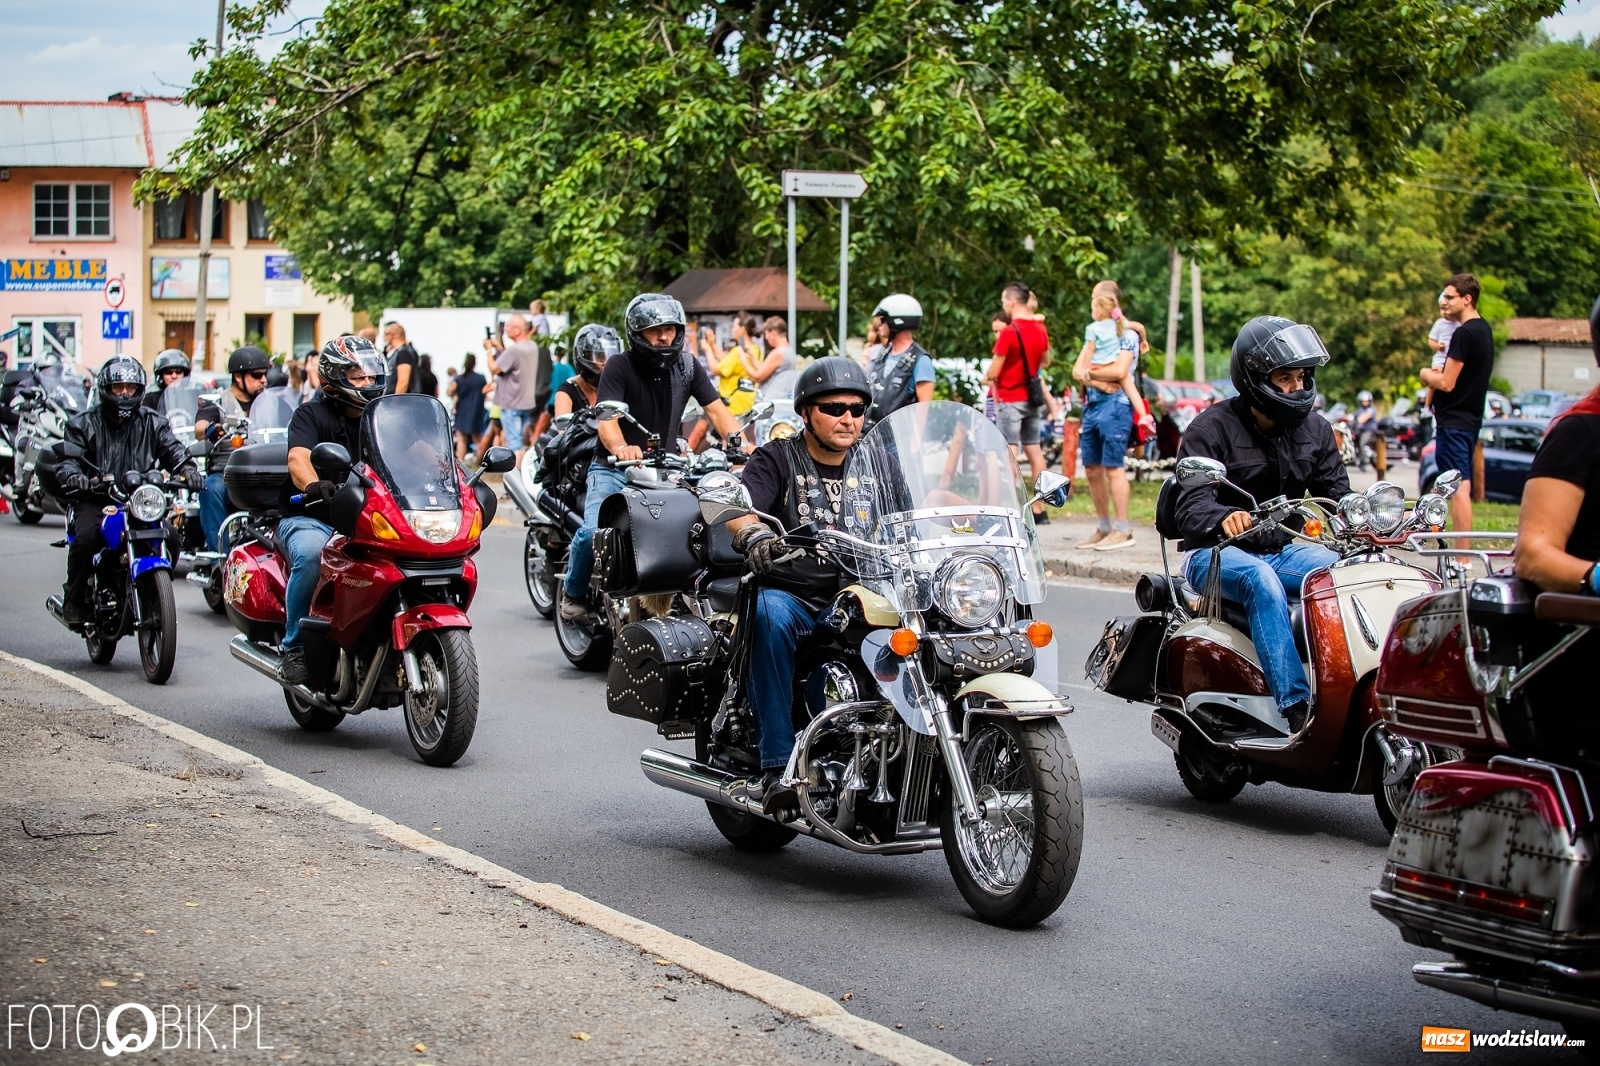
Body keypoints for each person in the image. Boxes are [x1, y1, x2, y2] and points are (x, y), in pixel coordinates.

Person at [1174, 316, 1348, 734]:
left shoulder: (1316, 430)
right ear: (1254, 378)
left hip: (1283, 545)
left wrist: (1367, 522)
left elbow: (1338, 496)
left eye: (1302, 377)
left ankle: (1345, 688)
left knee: (1343, 575)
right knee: (1261, 580)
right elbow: (1189, 511)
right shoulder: (1210, 429)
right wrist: (1224, 517)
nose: (1296, 388)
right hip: (1213, 553)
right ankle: (1296, 705)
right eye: (1284, 378)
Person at [721, 357, 876, 814]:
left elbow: (914, 512)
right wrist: (754, 535)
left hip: (867, 594)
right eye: (833, 407)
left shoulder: (878, 460)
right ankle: (777, 766)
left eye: (857, 408)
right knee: (770, 617)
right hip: (797, 594)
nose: (848, 417)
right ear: (806, 413)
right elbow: (740, 510)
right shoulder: (777, 457)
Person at [561, 293, 746, 620]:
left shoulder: (688, 366)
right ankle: (573, 593)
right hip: (614, 469)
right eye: (654, 330)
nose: (664, 336)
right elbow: (607, 421)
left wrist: (741, 443)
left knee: (700, 526)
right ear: (636, 333)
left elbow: (717, 411)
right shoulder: (619, 365)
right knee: (593, 532)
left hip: (666, 469)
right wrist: (621, 448)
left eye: (671, 329)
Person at [55, 356, 201, 626]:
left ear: (139, 390)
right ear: (105, 390)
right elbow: (68, 461)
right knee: (86, 538)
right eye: (118, 387)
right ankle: (74, 599)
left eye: (131, 388)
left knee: (169, 536)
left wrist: (189, 469)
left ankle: (148, 588)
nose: (124, 393)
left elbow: (172, 449)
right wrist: (76, 477)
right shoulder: (83, 423)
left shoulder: (152, 423)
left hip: (139, 501)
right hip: (97, 500)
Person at [277, 336, 387, 684]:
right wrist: (313, 485)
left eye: (371, 376)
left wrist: (451, 472)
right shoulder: (311, 413)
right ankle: (294, 647)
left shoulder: (382, 418)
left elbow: (417, 450)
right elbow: (298, 458)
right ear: (333, 376)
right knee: (312, 557)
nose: (367, 383)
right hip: (313, 517)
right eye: (358, 376)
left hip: (368, 519)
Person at [1069, 291, 1144, 549]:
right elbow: (1077, 371)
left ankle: (1123, 529)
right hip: (1093, 404)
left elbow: (1120, 371)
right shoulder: (1097, 332)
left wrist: (1089, 374)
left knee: (1113, 467)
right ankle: (1103, 526)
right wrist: (1097, 380)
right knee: (1091, 467)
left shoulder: (1127, 334)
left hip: (1115, 405)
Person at [1420, 274, 1493, 534]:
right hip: (1471, 419)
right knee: (1461, 485)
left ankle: (1461, 558)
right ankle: (1457, 551)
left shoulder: (1463, 334)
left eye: (1450, 296)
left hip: (1454, 421)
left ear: (1467, 298)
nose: (1445, 301)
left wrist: (1425, 374)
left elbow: (1447, 382)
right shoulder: (1484, 329)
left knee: (1458, 487)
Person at [983, 283, 1052, 523]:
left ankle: (1008, 507)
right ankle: (1040, 509)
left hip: (1010, 398)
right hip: (1032, 398)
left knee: (1009, 451)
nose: (1004, 307)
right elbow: (1046, 360)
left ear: (1012, 302)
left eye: (1004, 302)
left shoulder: (1010, 332)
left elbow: (994, 370)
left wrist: (990, 374)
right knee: (1034, 449)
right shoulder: (1041, 329)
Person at [194, 345, 271, 551]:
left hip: (264, 472)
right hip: (226, 473)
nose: (263, 379)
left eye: (265, 374)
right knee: (211, 489)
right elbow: (200, 428)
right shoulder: (218, 403)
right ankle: (220, 556)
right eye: (257, 375)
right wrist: (211, 428)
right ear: (238, 377)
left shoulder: (269, 403)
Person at [864, 294, 935, 427]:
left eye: (883, 320)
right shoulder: (882, 354)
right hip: (873, 435)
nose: (879, 326)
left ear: (896, 321)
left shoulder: (921, 360)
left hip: (900, 437)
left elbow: (924, 408)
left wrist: (915, 444)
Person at [486, 314, 540, 464]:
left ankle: (516, 478)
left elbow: (495, 368)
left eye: (508, 326)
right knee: (522, 444)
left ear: (517, 330)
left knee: (514, 446)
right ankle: (523, 476)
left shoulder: (514, 351)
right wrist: (499, 347)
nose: (505, 328)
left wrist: (489, 350)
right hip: (527, 402)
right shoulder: (532, 346)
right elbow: (512, 362)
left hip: (511, 403)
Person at [553, 325, 621, 418]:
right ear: (586, 356)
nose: (605, 361)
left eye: (610, 355)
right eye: (599, 356)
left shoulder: (616, 387)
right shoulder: (567, 391)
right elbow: (563, 429)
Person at [447, 353, 489, 461]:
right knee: (477, 438)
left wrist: (454, 396)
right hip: (477, 411)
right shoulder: (481, 378)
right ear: (475, 363)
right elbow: (485, 393)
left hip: (462, 412)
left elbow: (450, 391)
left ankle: (461, 463)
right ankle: (481, 460)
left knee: (461, 439)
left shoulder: (460, 378)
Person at [751, 317, 800, 401]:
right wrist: (752, 357)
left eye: (766, 334)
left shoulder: (777, 353)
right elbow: (764, 370)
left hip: (768, 400)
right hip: (782, 397)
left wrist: (742, 358)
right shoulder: (790, 351)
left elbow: (757, 377)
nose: (766, 337)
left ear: (773, 333)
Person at [382, 321, 419, 395]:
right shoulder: (400, 352)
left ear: (391, 335)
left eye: (385, 334)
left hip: (401, 402)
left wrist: (395, 402)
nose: (383, 337)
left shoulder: (403, 353)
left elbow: (403, 382)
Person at [1353, 390, 1379, 471]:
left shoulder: (1371, 409)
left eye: (1366, 401)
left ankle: (1364, 462)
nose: (1364, 402)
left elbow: (1363, 418)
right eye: (1363, 401)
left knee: (1362, 444)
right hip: (1360, 431)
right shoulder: (1359, 410)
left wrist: (1359, 420)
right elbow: (1352, 416)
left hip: (1369, 431)